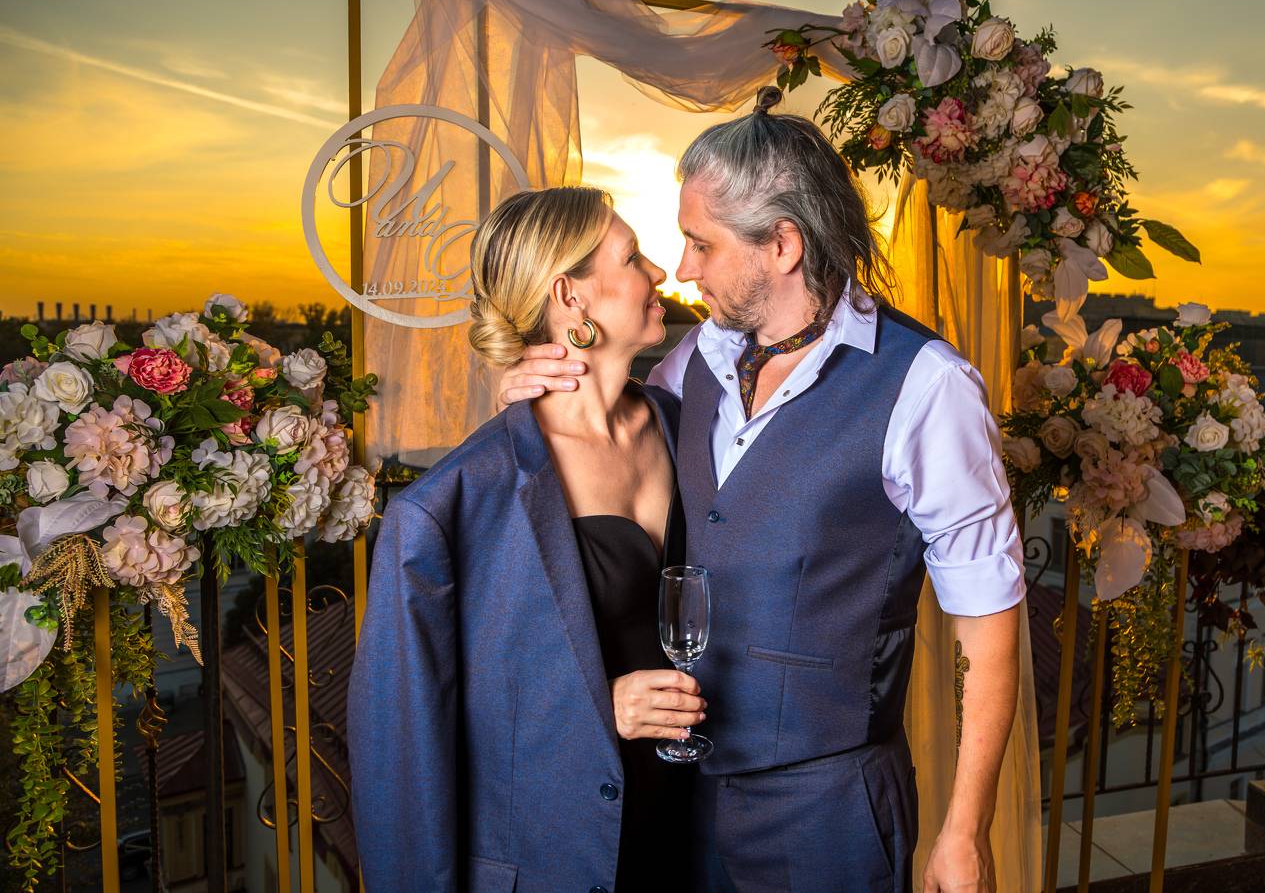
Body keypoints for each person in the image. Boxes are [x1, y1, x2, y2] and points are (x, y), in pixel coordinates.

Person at [502, 89, 1027, 892]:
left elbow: (988, 625)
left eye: (701, 244)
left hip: (829, 815)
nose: (683, 268)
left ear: (781, 244)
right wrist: (525, 396)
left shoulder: (928, 387)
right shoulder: (693, 361)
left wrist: (966, 831)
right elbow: (600, 444)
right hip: (680, 799)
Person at [348, 186, 703, 892]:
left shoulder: (686, 427)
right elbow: (404, 750)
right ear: (570, 296)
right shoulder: (452, 504)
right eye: (633, 257)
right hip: (554, 856)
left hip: (691, 835)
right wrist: (599, 708)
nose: (659, 272)